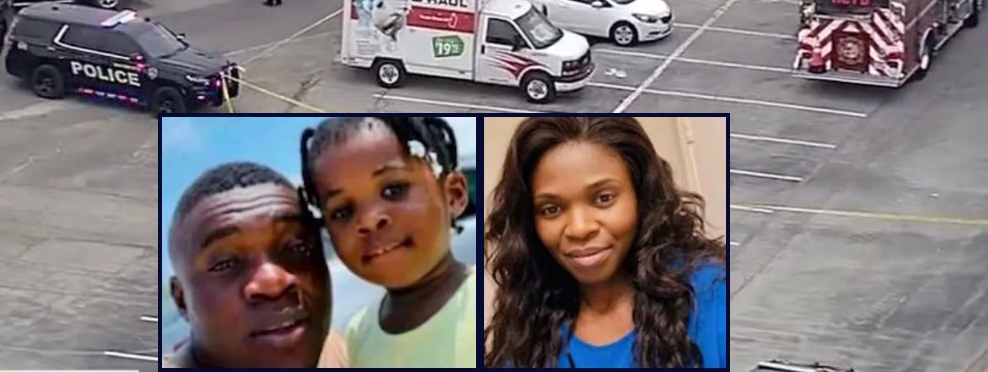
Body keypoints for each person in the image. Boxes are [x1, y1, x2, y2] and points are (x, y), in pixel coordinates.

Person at [483, 117, 727, 369]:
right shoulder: (527, 324)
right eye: (551, 209)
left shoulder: (712, 295)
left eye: (603, 198)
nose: (579, 228)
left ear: (641, 196)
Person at [299, 117, 476, 368]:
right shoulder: (357, 334)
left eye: (394, 190)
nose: (369, 220)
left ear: (454, 194)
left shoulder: (496, 303)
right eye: (342, 211)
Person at [164, 161, 349, 368]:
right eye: (225, 264)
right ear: (182, 301)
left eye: (297, 247)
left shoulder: (349, 353)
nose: (272, 282)